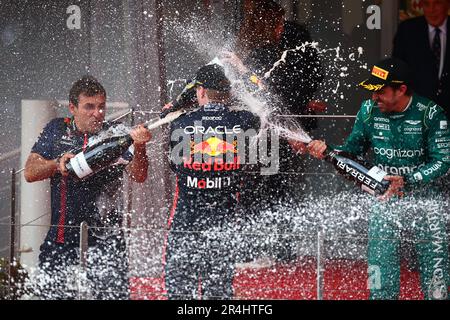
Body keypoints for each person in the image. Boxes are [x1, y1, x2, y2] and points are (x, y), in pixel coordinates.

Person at [292, 58, 450, 299]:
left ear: (402, 89)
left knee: (436, 278)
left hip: (426, 201)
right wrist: (326, 150)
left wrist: (408, 179)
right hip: (384, 199)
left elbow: (443, 161)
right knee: (380, 274)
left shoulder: (430, 113)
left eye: (381, 91)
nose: (375, 97)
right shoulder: (368, 111)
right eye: (373, 91)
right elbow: (351, 153)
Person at [24, 75, 152, 299]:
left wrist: (140, 147)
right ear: (73, 108)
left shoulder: (117, 132)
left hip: (107, 241)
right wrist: (56, 164)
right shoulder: (56, 129)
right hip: (62, 238)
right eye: (89, 107)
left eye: (101, 107)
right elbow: (30, 172)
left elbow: (139, 175)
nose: (98, 113)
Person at [222, 0, 324, 263]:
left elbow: (268, 93)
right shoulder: (263, 53)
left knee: (262, 190)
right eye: (278, 23)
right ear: (267, 25)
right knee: (270, 191)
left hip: (262, 133)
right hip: (263, 135)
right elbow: (266, 91)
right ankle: (273, 250)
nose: (282, 28)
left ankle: (267, 250)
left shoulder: (255, 52)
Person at [164, 64, 260, 299]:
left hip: (186, 220)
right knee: (218, 292)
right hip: (224, 223)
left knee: (180, 291)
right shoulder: (246, 120)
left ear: (200, 91)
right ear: (229, 93)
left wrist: (175, 107)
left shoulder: (179, 123)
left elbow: (174, 165)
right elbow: (262, 100)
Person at [393, 0, 450, 118]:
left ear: (447, 4)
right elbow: (398, 71)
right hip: (416, 113)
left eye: (437, 3)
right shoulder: (407, 30)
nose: (431, 9)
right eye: (426, 4)